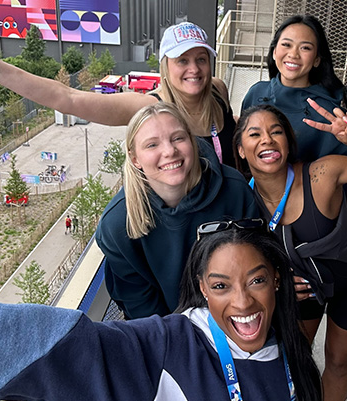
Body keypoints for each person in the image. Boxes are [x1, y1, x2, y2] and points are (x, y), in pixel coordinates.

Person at [0, 221, 323, 401]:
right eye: (221, 286)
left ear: (277, 281)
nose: (242, 302)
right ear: (202, 290)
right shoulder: (166, 348)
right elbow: (54, 346)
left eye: (256, 280)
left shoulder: (292, 354)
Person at [233, 103, 347, 401]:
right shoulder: (240, 198)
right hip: (298, 286)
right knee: (291, 359)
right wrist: (274, 278)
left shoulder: (322, 173)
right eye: (254, 134)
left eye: (276, 132)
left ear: (288, 141)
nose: (267, 140)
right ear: (241, 150)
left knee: (339, 362)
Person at [0, 17, 239, 168]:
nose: (194, 69)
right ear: (165, 66)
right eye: (182, 60)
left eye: (201, 58)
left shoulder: (218, 92)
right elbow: (68, 99)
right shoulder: (149, 107)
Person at [94, 103, 258, 319]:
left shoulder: (234, 190)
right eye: (152, 145)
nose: (169, 151)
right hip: (166, 333)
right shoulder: (118, 224)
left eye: (178, 138)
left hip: (236, 318)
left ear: (193, 142)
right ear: (135, 159)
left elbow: (255, 268)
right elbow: (143, 311)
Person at [240, 15, 347, 209]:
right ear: (274, 50)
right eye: (286, 45)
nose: (293, 54)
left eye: (305, 48)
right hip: (256, 202)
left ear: (317, 59)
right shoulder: (256, 93)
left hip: (306, 212)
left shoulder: (329, 111)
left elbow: (346, 183)